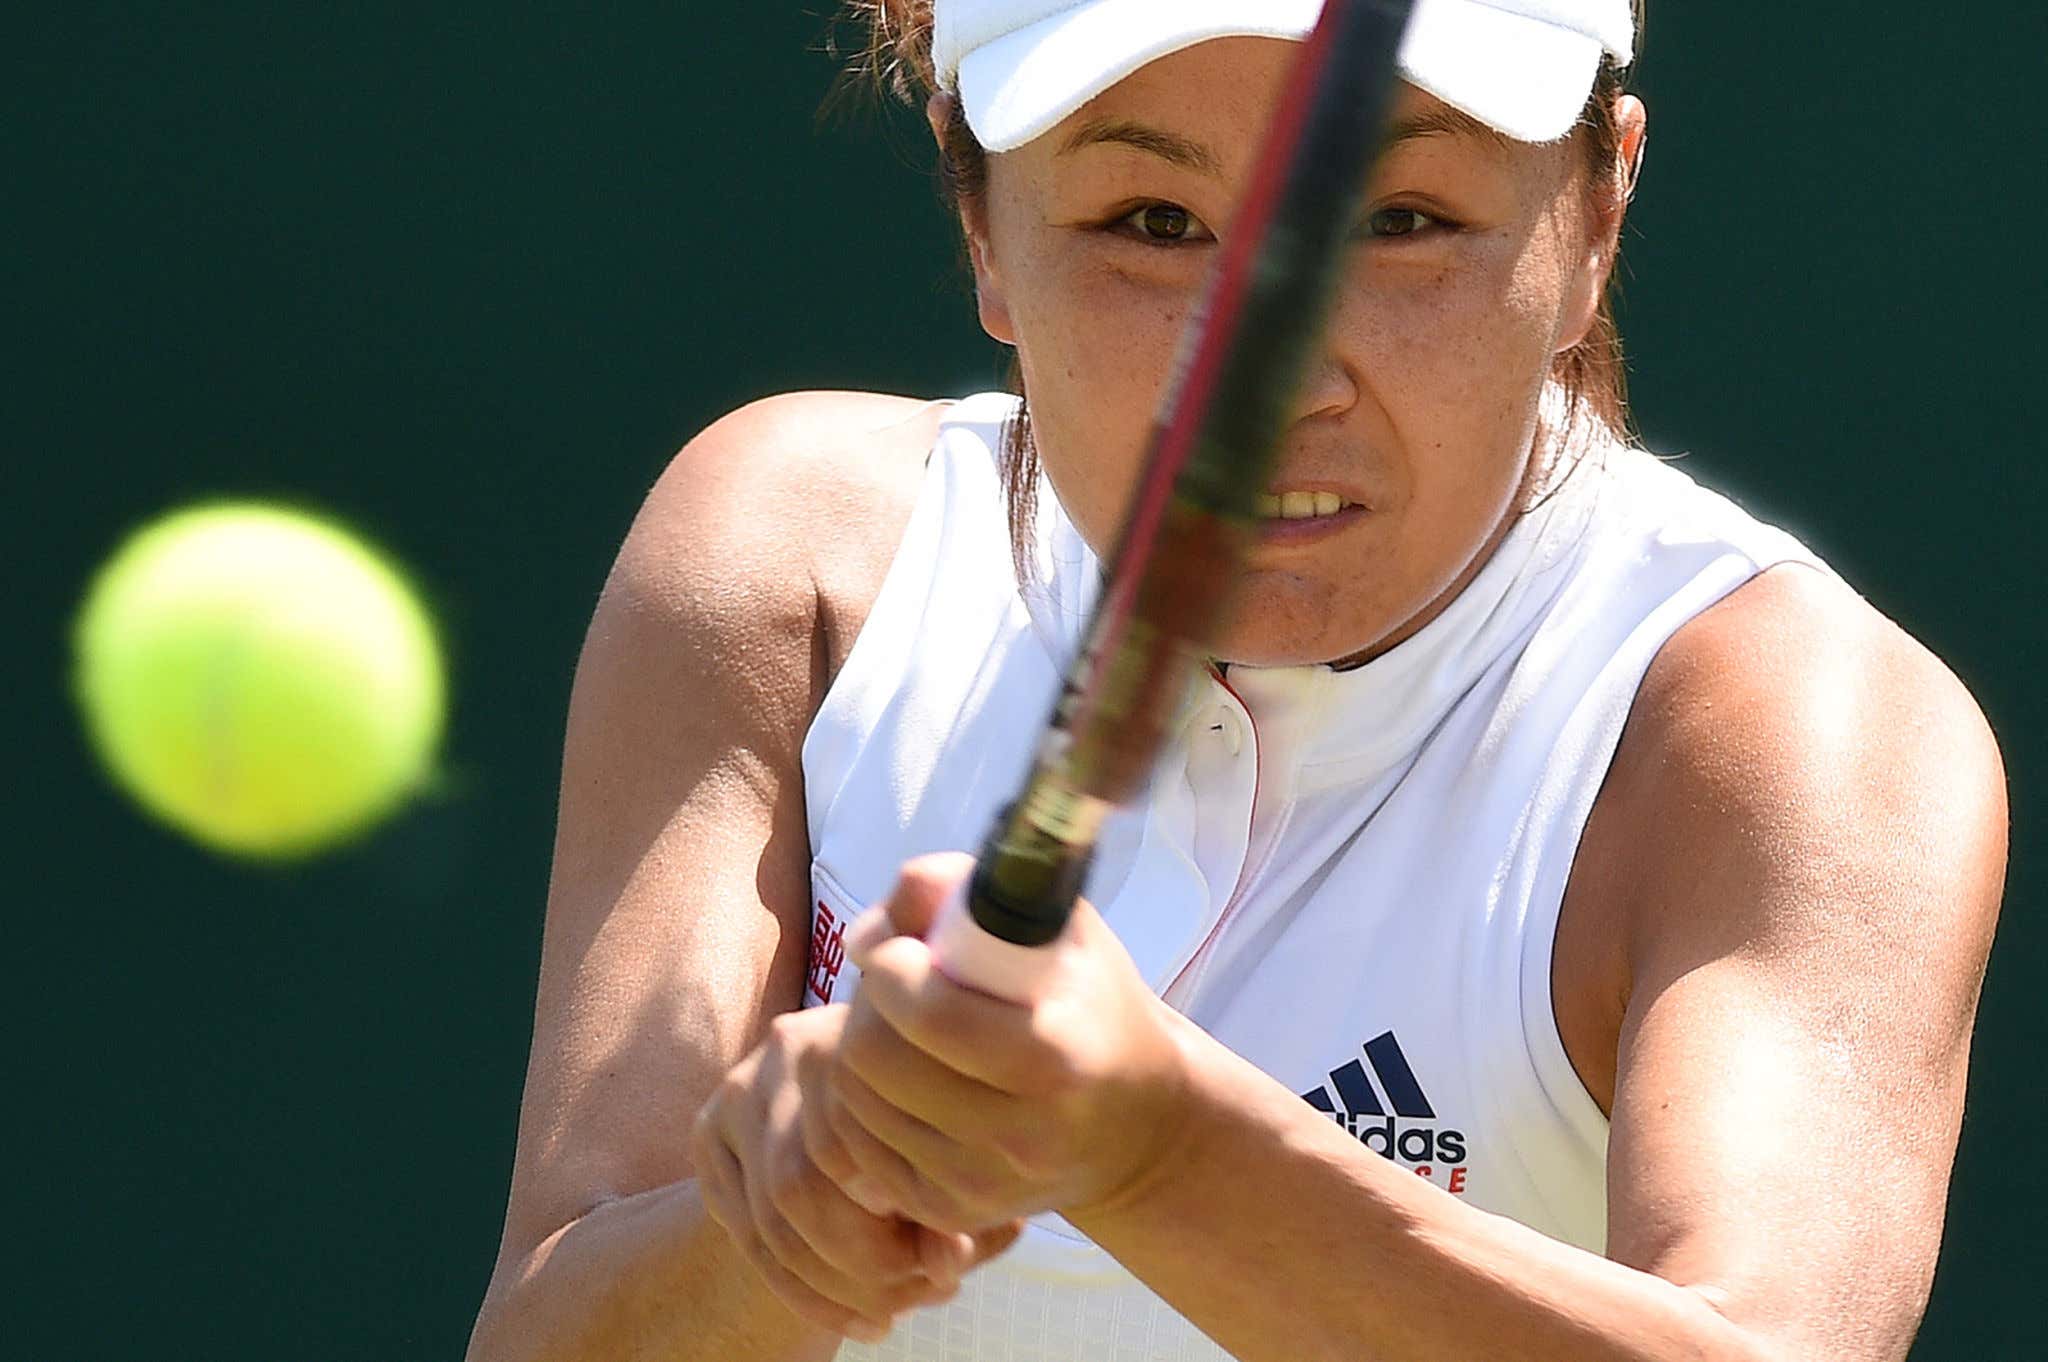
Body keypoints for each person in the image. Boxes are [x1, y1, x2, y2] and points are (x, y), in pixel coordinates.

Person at [466, 1, 2009, 1358]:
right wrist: (783, 1229)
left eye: (1403, 217)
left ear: (1597, 209)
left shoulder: (1786, 732)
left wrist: (1164, 1152)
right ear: (983, 221)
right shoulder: (790, 566)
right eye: (1149, 222)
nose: (1271, 363)